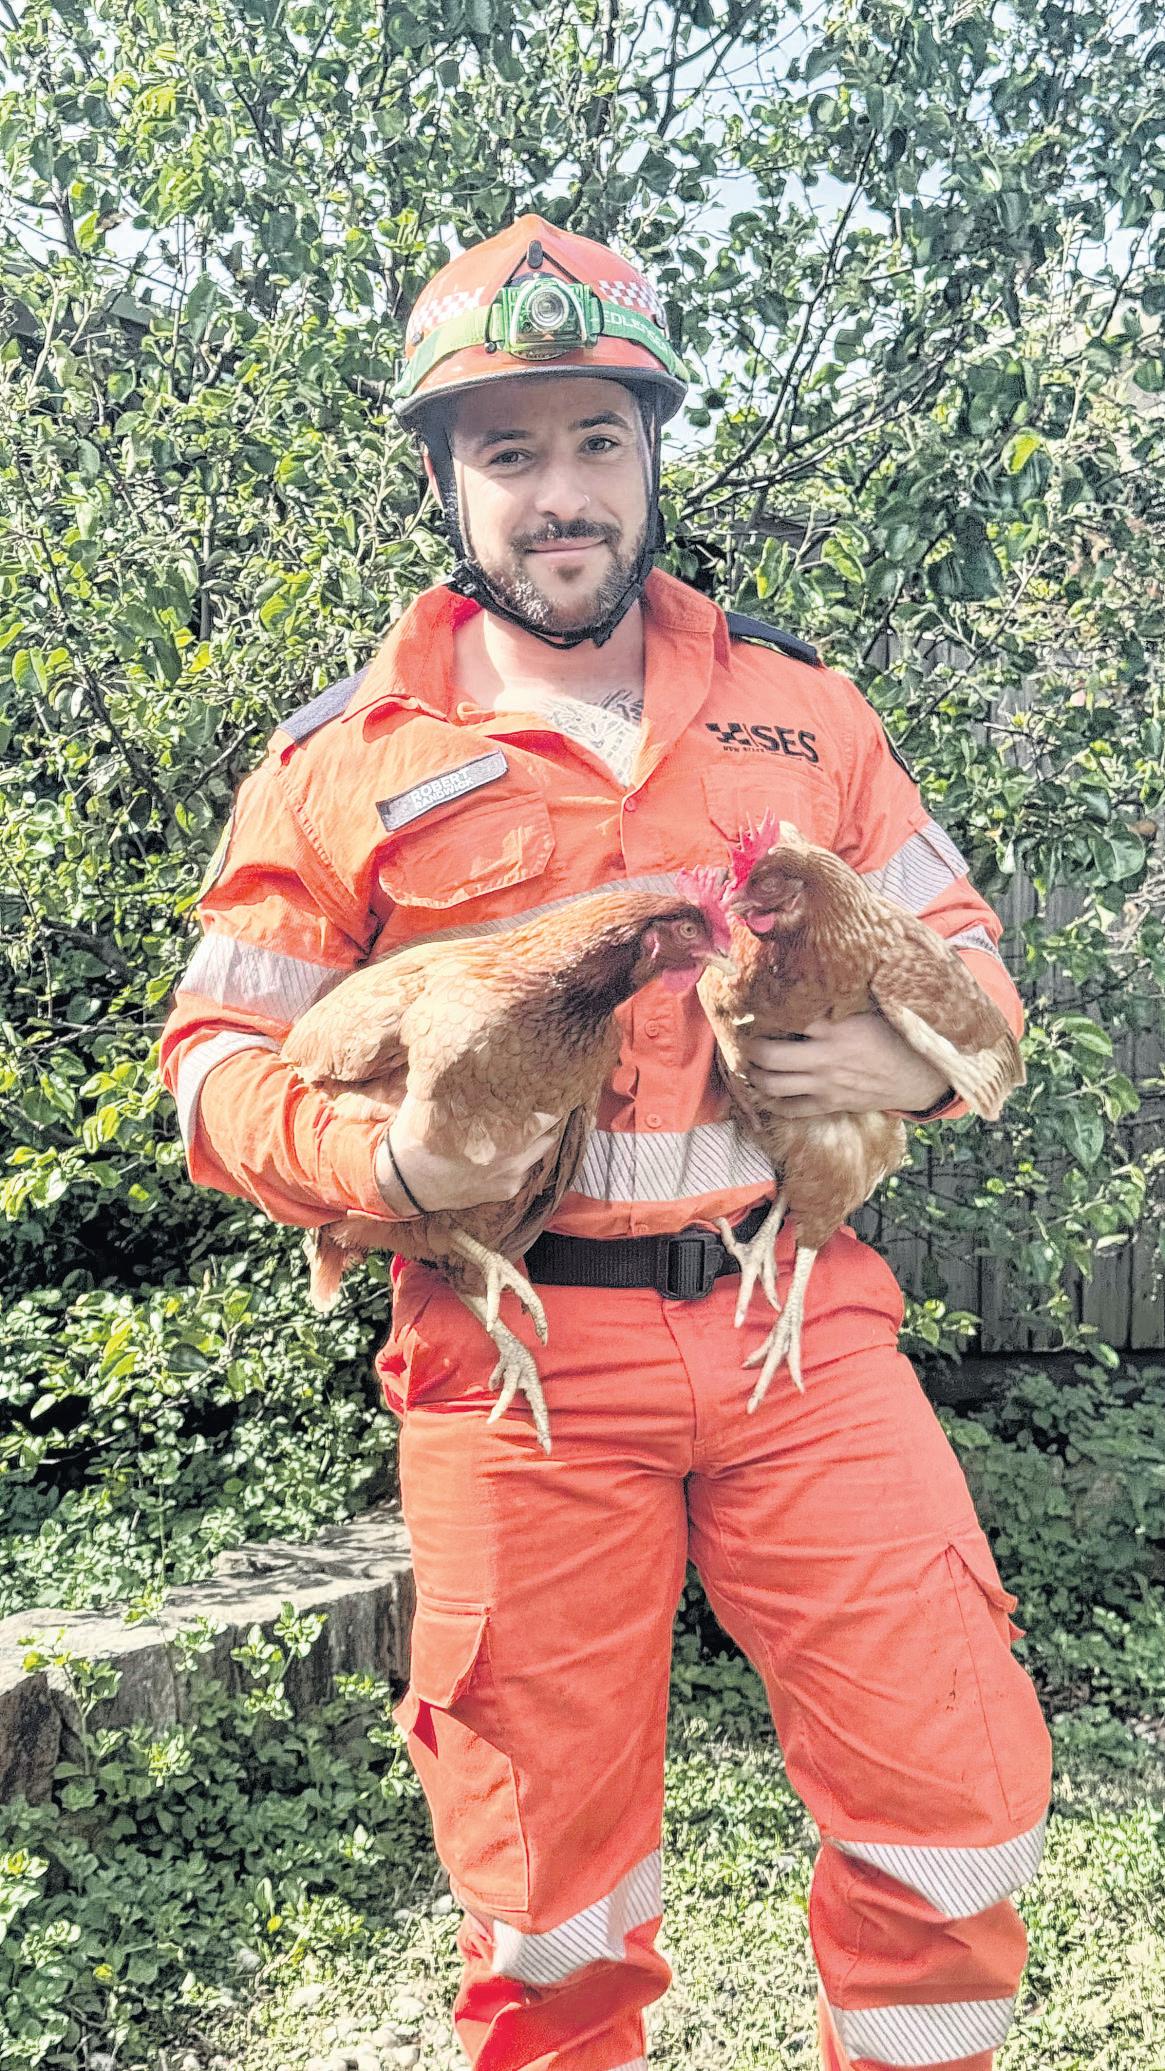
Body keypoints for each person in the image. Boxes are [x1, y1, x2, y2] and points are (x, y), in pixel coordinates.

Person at [160, 214, 1053, 2071]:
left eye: (595, 442)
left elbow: (967, 966)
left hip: (798, 1324)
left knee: (948, 1797)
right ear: (445, 480)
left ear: (650, 458)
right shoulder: (341, 761)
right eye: (510, 451)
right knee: (544, 1896)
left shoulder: (801, 711)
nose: (559, 493)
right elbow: (214, 1063)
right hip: (513, 1360)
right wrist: (380, 1176)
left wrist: (906, 1067)